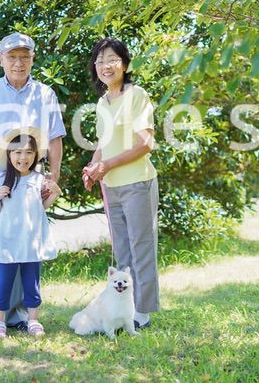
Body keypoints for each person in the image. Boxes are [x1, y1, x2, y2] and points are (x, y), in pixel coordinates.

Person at [0, 32, 66, 333]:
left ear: (33, 58)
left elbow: (56, 139)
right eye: (12, 57)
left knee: (26, 242)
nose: (18, 63)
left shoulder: (46, 94)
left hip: (31, 174)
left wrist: (53, 177)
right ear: (1, 59)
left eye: (25, 56)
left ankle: (21, 316)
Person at [82, 38, 160, 330]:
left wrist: (108, 165)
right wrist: (93, 168)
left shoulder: (136, 95)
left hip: (137, 182)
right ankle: (124, 309)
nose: (105, 66)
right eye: (100, 61)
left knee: (141, 248)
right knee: (122, 251)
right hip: (111, 186)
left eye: (112, 59)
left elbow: (146, 143)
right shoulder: (103, 101)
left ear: (125, 64)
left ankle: (143, 311)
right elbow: (104, 143)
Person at [0, 128, 59, 340]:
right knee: (3, 284)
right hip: (7, 241)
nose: (23, 157)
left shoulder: (38, 180)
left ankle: (33, 320)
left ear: (35, 155)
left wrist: (55, 192)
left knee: (32, 283)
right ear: (9, 155)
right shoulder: (1, 180)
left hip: (31, 241)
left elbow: (41, 207)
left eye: (28, 152)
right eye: (17, 152)